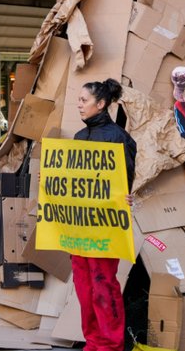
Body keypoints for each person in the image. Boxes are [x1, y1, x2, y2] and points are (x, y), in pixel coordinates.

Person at [72, 79, 137, 351]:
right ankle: (93, 341)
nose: (79, 105)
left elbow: (127, 178)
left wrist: (126, 195)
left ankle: (110, 344)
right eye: (78, 100)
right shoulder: (78, 137)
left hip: (103, 228)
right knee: (84, 290)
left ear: (100, 104)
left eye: (84, 100)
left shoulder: (118, 137)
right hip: (78, 228)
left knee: (103, 287)